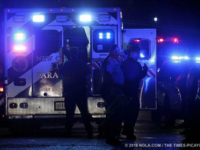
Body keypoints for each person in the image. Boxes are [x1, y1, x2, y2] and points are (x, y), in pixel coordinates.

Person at [59, 47, 93, 138]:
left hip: (70, 92)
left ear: (70, 54)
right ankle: (89, 131)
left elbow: (60, 75)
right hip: (81, 91)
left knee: (69, 113)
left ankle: (68, 132)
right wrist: (89, 89)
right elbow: (88, 78)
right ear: (78, 54)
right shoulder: (83, 64)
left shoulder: (67, 64)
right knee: (84, 112)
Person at [121, 44, 148, 140]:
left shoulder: (123, 63)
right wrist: (145, 70)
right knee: (133, 112)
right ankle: (129, 132)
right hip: (132, 92)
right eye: (137, 53)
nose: (138, 55)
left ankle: (125, 129)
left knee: (126, 112)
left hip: (124, 91)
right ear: (132, 53)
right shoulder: (135, 64)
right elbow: (137, 76)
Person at [101, 44, 124, 144]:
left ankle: (114, 135)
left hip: (115, 89)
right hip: (111, 90)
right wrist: (113, 87)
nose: (118, 52)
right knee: (112, 114)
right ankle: (110, 137)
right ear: (113, 51)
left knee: (116, 113)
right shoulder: (109, 61)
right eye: (117, 50)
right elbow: (108, 75)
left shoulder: (115, 61)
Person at [176, 57, 200, 135]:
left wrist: (189, 94)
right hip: (190, 93)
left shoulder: (194, 70)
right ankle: (189, 127)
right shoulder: (191, 70)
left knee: (189, 111)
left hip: (190, 94)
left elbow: (192, 84)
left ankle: (190, 128)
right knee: (188, 111)